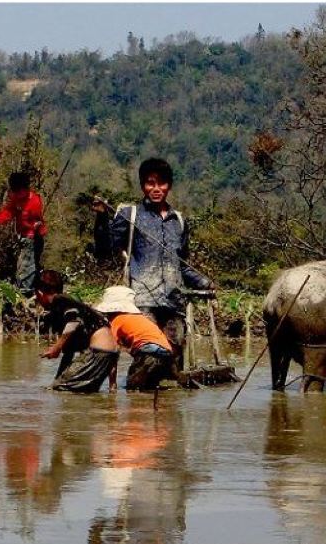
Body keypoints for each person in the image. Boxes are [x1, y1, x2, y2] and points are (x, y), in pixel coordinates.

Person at [91, 158, 212, 374]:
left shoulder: (179, 221)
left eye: (162, 183)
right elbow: (106, 250)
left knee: (174, 366)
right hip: (142, 303)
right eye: (150, 183)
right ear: (142, 186)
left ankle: (167, 406)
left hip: (174, 303)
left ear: (169, 185)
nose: (156, 189)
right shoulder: (131, 215)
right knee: (149, 358)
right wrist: (101, 219)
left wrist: (204, 282)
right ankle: (137, 401)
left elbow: (182, 264)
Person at [35, 270, 119, 393]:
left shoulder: (59, 300)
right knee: (71, 391)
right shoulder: (75, 307)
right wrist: (113, 386)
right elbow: (68, 355)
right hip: (108, 356)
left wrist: (56, 348)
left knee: (60, 390)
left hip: (97, 353)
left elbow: (73, 322)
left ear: (40, 293)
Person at [94, 286, 176, 391]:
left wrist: (112, 383)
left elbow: (113, 355)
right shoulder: (139, 318)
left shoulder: (116, 321)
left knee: (132, 389)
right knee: (150, 387)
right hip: (167, 351)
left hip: (147, 350)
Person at [0, 171, 48, 296]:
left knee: (27, 265)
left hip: (33, 238)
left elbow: (37, 221)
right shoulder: (16, 197)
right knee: (25, 264)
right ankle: (31, 291)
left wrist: (35, 228)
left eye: (18, 191)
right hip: (23, 236)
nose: (15, 194)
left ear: (25, 189)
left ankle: (25, 293)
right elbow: (9, 211)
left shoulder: (34, 201)